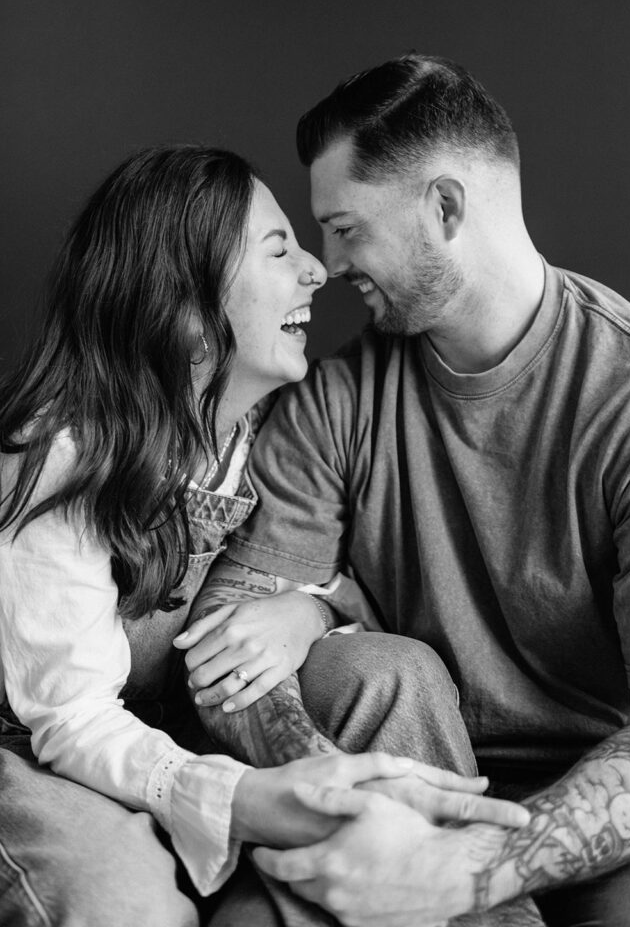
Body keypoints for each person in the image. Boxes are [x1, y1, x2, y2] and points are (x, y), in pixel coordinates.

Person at [179, 57, 630, 927]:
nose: (329, 263)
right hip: (400, 768)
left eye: (345, 229)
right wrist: (340, 792)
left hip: (604, 792)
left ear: (445, 208)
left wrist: (465, 869)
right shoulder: (336, 398)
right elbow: (232, 634)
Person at [0, 144, 526, 927]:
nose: (317, 270)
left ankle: (451, 886)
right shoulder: (63, 456)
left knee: (393, 672)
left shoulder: (268, 428)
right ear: (186, 307)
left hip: (174, 711)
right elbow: (70, 718)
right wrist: (245, 798)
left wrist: (309, 610)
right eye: (280, 250)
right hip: (40, 744)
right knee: (122, 899)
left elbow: (338, 574)